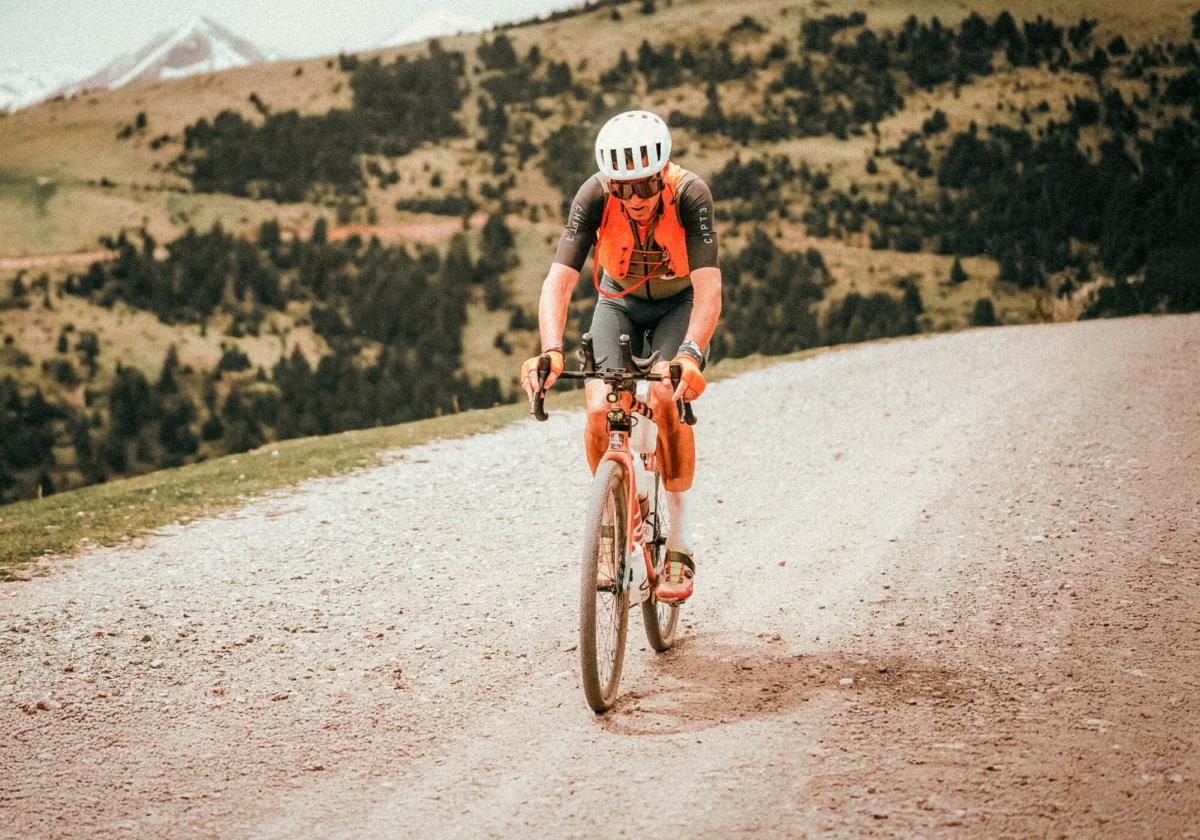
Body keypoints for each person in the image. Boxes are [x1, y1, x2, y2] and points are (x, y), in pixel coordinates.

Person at [520, 110, 721, 604]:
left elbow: (709, 289)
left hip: (679, 304)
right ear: (610, 183)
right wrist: (550, 349)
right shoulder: (592, 196)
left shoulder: (690, 195)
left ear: (662, 173)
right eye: (623, 188)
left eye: (646, 186)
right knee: (598, 410)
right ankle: (613, 524)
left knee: (666, 397)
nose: (635, 199)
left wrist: (691, 354)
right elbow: (558, 281)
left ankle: (679, 545)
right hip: (618, 302)